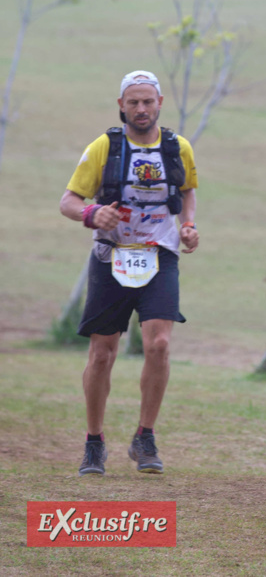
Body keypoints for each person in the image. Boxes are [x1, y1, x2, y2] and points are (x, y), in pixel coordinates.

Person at [60, 70, 199, 476]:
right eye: (133, 102)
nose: (141, 109)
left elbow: (188, 188)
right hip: (111, 256)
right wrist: (91, 213)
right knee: (103, 353)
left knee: (158, 344)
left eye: (148, 101)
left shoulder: (178, 147)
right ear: (121, 105)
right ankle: (94, 441)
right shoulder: (105, 147)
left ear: (160, 104)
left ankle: (145, 436)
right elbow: (68, 200)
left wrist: (188, 225)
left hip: (160, 256)